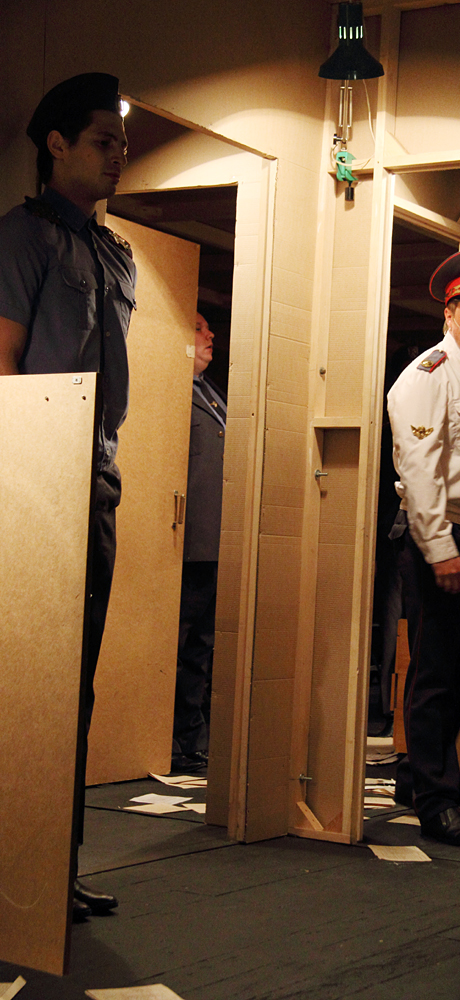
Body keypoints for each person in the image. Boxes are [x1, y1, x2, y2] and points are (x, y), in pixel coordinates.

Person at [0, 73, 135, 917]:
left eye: (121, 144)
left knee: (71, 687)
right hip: (34, 477)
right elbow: (2, 365)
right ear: (56, 145)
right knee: (23, 687)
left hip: (95, 479)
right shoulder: (22, 238)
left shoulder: (114, 253)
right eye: (101, 141)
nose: (118, 156)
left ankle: (53, 867)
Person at [387, 246, 460, 847]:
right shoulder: (427, 376)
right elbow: (420, 469)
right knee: (435, 671)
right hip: (442, 536)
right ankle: (437, 802)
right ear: (449, 315)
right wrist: (440, 549)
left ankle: (417, 774)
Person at [171, 313, 226, 773]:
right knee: (178, 640)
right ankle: (168, 739)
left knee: (200, 646)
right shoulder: (170, 392)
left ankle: (192, 739)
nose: (210, 335)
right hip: (184, 543)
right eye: (198, 327)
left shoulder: (210, 392)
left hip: (215, 541)